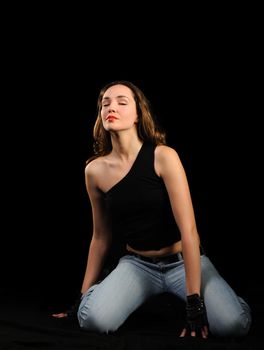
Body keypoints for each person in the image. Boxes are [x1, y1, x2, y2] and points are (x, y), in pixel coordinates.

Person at [52, 80, 251, 338]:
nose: (111, 107)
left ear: (138, 114)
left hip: (182, 262)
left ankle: (230, 301)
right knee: (92, 320)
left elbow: (189, 231)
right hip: (138, 265)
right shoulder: (94, 171)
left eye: (122, 102)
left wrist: (194, 301)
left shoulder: (163, 156)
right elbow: (100, 237)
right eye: (105, 104)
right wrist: (81, 298)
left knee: (233, 325)